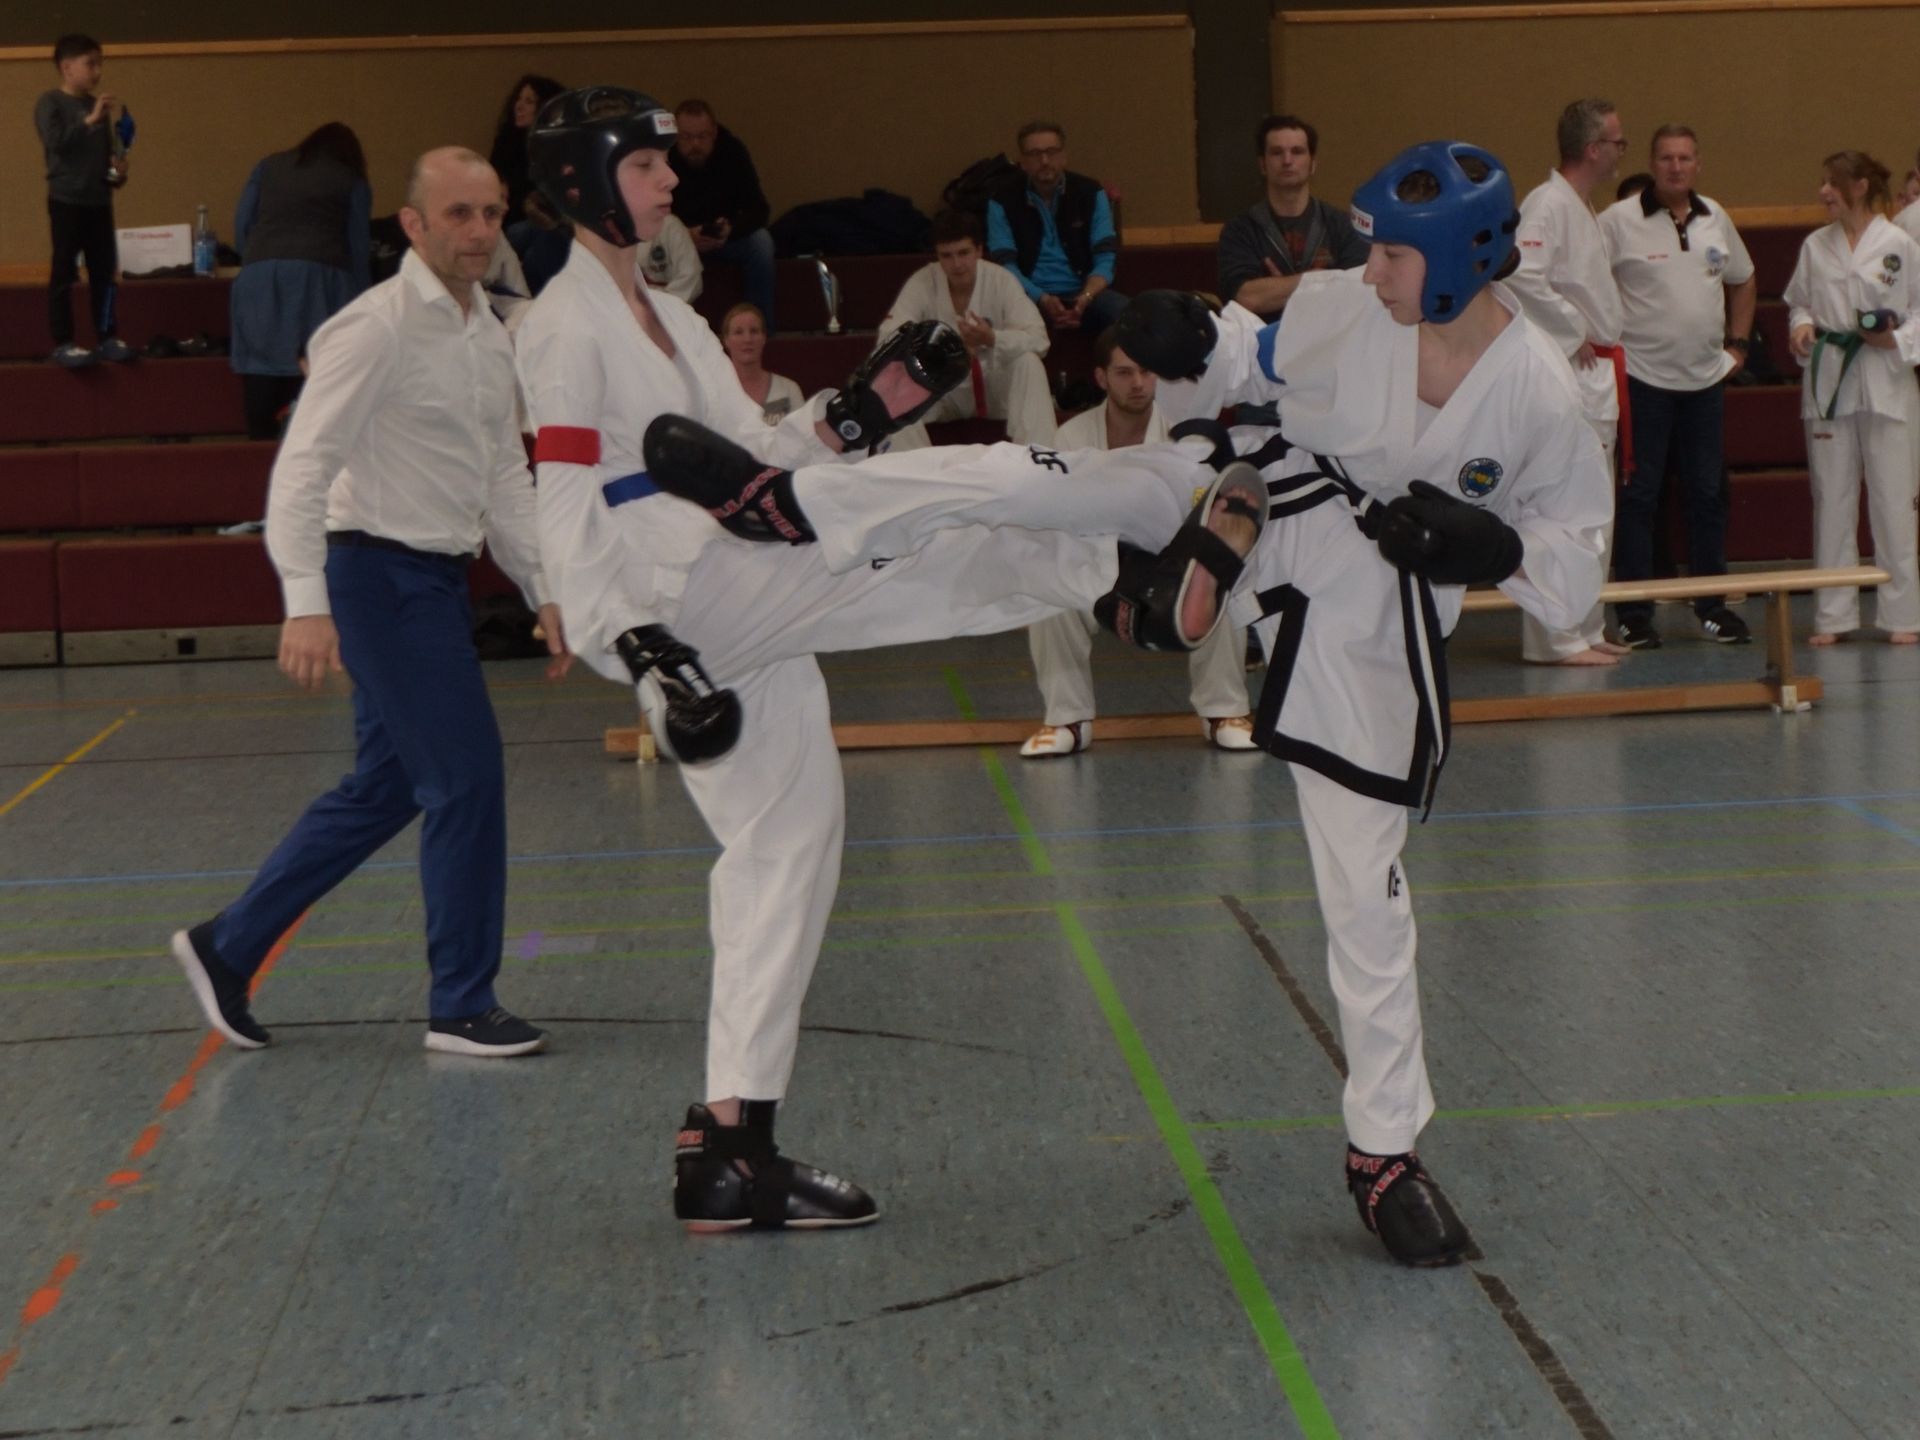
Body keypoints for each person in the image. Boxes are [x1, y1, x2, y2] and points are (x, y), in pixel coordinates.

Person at [641, 141, 1610, 1267]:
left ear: (1457, 265)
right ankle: (799, 500)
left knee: (1367, 888)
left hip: (1370, 606)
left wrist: (1494, 550)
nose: (1373, 268)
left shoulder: (1539, 392)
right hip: (1259, 487)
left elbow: (1574, 570)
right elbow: (1248, 353)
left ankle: (1385, 1153)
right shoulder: (1352, 305)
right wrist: (1192, 337)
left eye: (1395, 255)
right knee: (1028, 478)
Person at [516, 86, 1031, 1232]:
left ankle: (730, 1147)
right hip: (682, 602)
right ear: (581, 182)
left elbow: (755, 459)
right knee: (924, 527)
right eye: (645, 167)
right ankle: (1117, 543)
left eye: (667, 164)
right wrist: (636, 648)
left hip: (734, 575)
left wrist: (856, 415)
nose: (671, 181)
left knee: (790, 846)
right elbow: (561, 496)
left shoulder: (678, 319)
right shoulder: (560, 327)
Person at [171, 147, 568, 1061]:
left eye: (491, 212)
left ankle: (227, 947)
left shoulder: (489, 332)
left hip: (436, 578)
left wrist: (544, 587)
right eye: (459, 214)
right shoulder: (373, 327)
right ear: (414, 225)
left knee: (388, 786)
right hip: (376, 577)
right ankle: (462, 1002)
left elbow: (504, 474)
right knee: (466, 778)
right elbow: (301, 469)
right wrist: (306, 602)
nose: (479, 230)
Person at [1020, 327, 1256, 757]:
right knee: (1049, 594)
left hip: (1170, 573)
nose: (1138, 383)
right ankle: (1067, 719)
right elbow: (1060, 519)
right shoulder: (1071, 438)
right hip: (1100, 572)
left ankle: (1225, 712)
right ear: (1101, 377)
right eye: (1124, 373)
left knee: (1219, 578)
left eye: (1146, 372)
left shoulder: (1186, 439)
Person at [1599, 125, 1756, 649]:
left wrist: (1738, 345)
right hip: (1642, 381)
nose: (1675, 167)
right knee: (1639, 497)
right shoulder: (1617, 221)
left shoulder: (1715, 217)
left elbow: (1743, 279)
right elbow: (1585, 282)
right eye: (1666, 158)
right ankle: (1634, 614)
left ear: (1697, 164)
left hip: (1705, 382)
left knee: (1708, 494)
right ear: (1652, 163)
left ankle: (1712, 607)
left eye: (1685, 158)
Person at [1505, 99, 1629, 666]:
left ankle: (1586, 623)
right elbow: (1520, 273)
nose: (1622, 151)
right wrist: (1573, 327)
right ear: (1593, 148)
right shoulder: (1547, 203)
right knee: (1559, 508)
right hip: (1568, 371)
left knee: (1595, 508)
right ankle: (1555, 635)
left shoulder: (1581, 206)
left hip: (1596, 373)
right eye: (1618, 142)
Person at [1783, 151, 1920, 645]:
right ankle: (1833, 615)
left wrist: (1896, 340)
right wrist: (1801, 328)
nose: (1824, 192)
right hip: (1831, 376)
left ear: (1860, 187)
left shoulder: (1899, 244)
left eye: (1833, 183)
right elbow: (1799, 302)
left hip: (1886, 379)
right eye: (1822, 182)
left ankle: (1902, 615)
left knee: (1894, 499)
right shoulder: (1815, 246)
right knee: (1832, 498)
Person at [229, 123, 372, 440]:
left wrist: (256, 259)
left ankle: (258, 448)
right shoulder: (351, 179)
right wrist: (363, 304)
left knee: (259, 370)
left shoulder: (268, 166)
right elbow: (358, 247)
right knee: (316, 371)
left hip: (259, 278)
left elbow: (242, 224)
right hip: (322, 280)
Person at [879, 209, 1057, 449]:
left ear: (979, 250)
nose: (956, 264)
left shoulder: (1001, 280)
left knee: (1029, 362)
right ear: (937, 256)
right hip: (944, 391)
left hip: (996, 387)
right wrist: (940, 349)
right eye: (947, 256)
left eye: (963, 253)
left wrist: (992, 338)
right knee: (894, 379)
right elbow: (888, 338)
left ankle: (1039, 457)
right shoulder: (923, 282)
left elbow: (1039, 340)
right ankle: (915, 467)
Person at [36, 34, 133, 368]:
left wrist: (117, 172)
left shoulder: (98, 109)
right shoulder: (50, 102)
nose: (98, 71)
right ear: (67, 67)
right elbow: (55, 142)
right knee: (64, 271)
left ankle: (107, 337)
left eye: (99, 63)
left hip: (99, 202)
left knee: (104, 273)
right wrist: (89, 120)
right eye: (90, 64)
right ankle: (63, 342)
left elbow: (104, 161)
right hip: (66, 200)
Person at [1215, 114, 1369, 321]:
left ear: (1313, 164)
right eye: (1277, 152)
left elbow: (1358, 292)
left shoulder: (1343, 226)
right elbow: (1246, 297)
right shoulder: (1240, 230)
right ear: (1262, 165)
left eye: (1297, 152)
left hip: (1331, 336)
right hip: (1264, 338)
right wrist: (1322, 279)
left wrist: (1279, 289)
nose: (1287, 161)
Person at [986, 120, 1127, 333]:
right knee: (991, 318)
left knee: (1131, 316)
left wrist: (1086, 296)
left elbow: (1106, 256)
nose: (1044, 161)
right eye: (1035, 154)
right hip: (1027, 295)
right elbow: (1005, 266)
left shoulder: (1091, 192)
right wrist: (1041, 297)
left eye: (1051, 152)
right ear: (1022, 162)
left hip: (1086, 292)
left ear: (1064, 157)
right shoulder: (1001, 199)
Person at [669, 99, 776, 329]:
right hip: (677, 242)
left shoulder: (732, 152)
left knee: (761, 243)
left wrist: (731, 229)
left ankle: (760, 329)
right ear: (675, 135)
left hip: (725, 240)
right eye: (686, 137)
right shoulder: (663, 157)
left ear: (714, 132)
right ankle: (670, 328)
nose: (695, 145)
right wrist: (683, 235)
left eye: (702, 136)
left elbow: (759, 209)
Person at [488, 73, 565, 222]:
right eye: (518, 99)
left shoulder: (557, 146)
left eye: (529, 102)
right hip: (508, 217)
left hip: (545, 221)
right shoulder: (506, 142)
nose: (519, 106)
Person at [719, 302, 803, 423]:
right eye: (738, 332)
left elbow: (802, 432)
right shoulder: (715, 391)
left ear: (764, 338)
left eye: (754, 331)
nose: (747, 339)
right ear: (726, 340)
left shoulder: (788, 389)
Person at [641, 211, 702, 302]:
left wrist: (663, 302)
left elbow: (692, 279)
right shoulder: (619, 231)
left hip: (669, 303)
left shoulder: (669, 225)